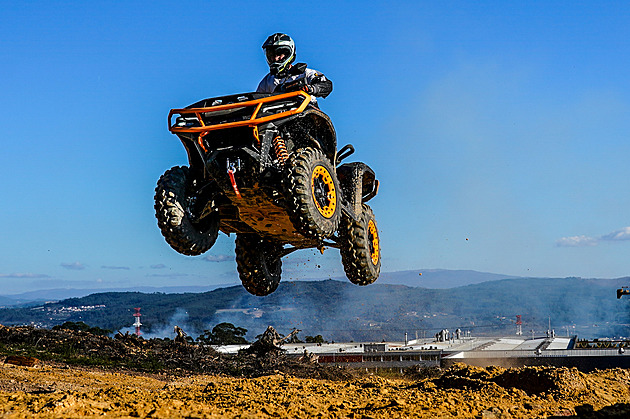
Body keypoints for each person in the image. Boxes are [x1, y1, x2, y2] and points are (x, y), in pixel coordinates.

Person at [256, 33, 332, 106]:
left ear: (288, 54)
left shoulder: (305, 73)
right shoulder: (267, 81)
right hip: (278, 115)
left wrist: (311, 88)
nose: (275, 58)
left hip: (306, 111)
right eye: (271, 55)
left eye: (279, 54)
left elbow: (327, 85)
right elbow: (256, 101)